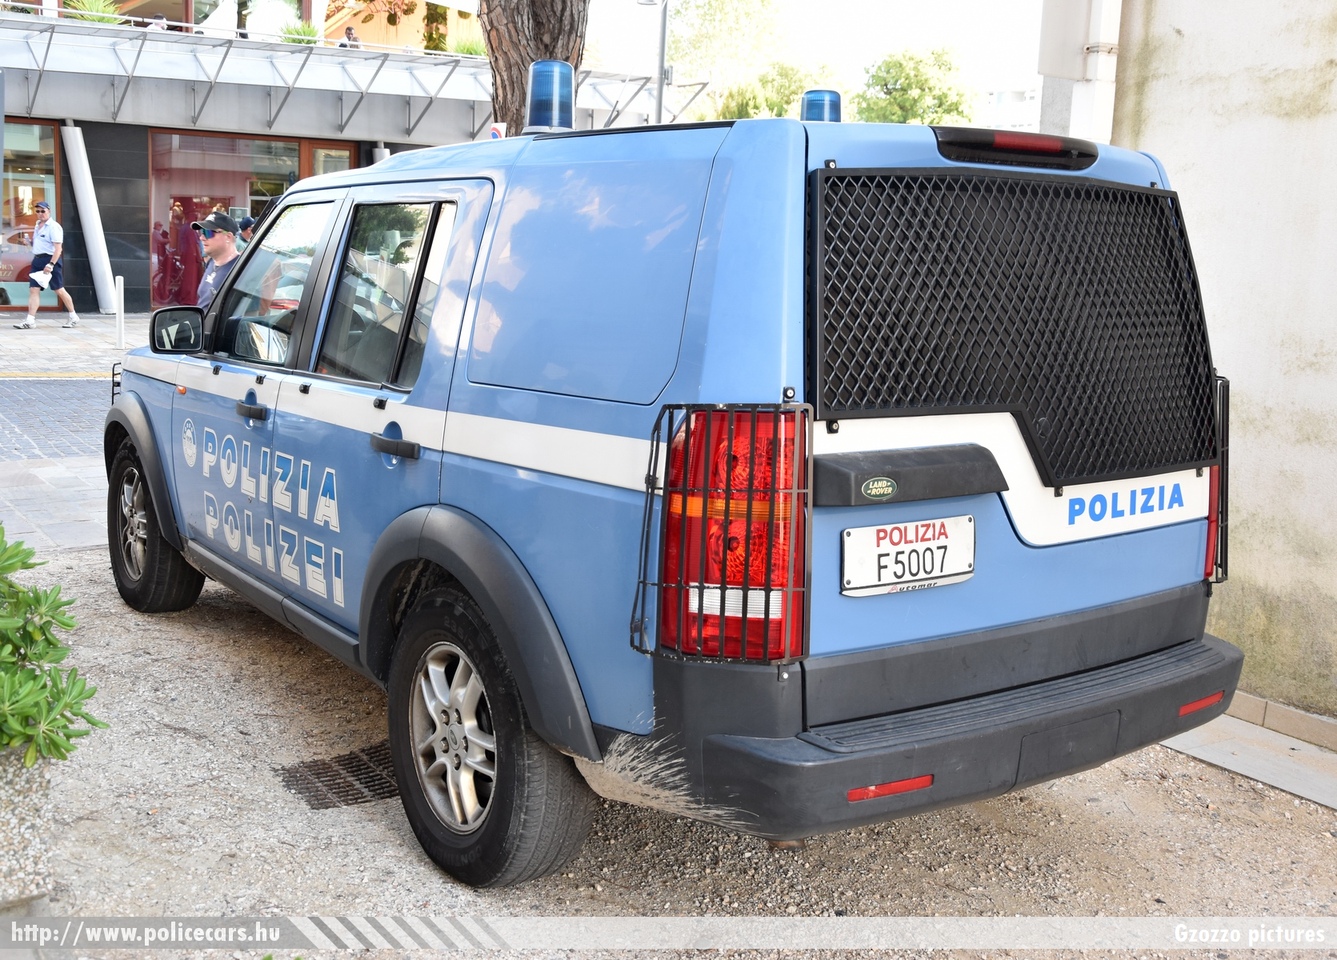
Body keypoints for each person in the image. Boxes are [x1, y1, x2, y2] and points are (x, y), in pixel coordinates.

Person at [13, 201, 79, 330]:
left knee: (59, 289)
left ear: (49, 211)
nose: (40, 214)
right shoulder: (38, 225)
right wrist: (29, 243)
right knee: (33, 289)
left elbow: (58, 249)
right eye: (37, 211)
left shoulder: (54, 227)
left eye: (43, 211)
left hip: (50, 260)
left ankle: (73, 316)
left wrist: (51, 264)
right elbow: (40, 244)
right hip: (37, 260)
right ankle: (30, 320)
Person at [192, 211, 242, 307]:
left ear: (228, 237)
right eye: (201, 232)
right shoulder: (211, 262)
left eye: (208, 232)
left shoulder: (240, 269)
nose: (202, 237)